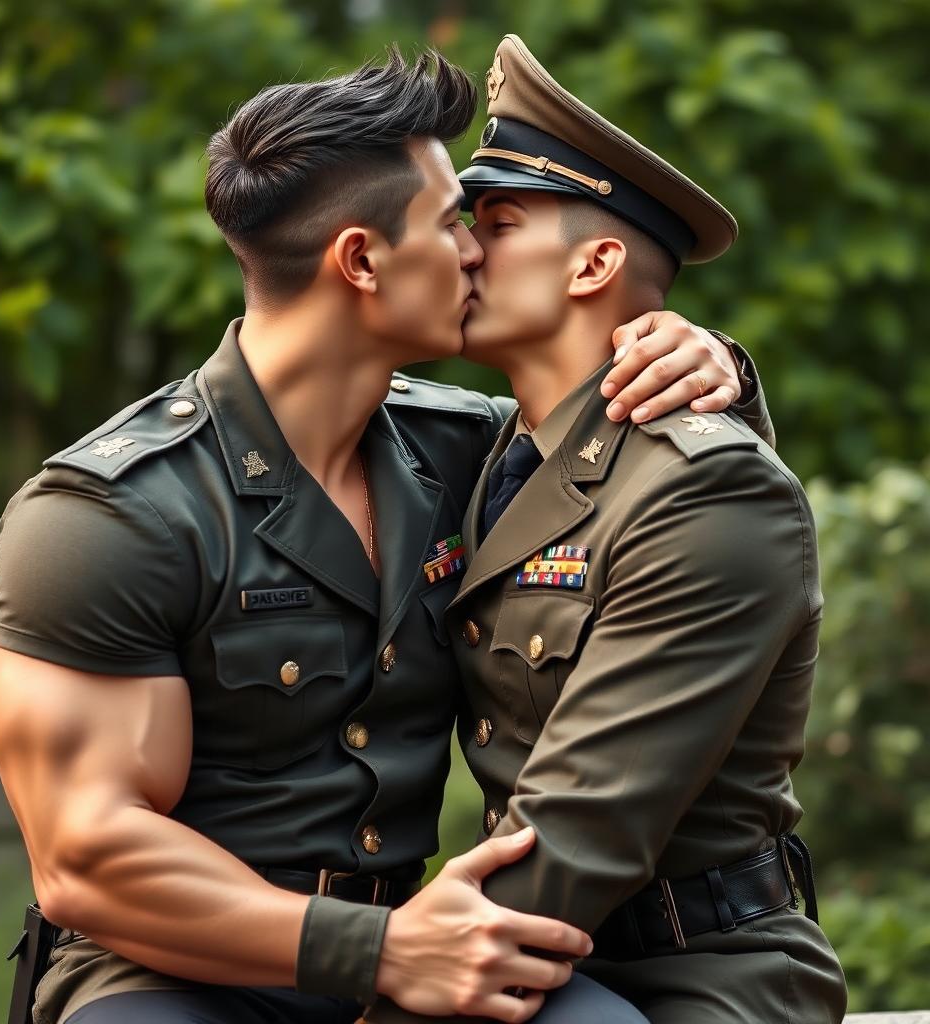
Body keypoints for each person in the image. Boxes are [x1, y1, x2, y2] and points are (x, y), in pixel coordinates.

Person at [0, 47, 764, 1024]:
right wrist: (380, 950)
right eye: (452, 224)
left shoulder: (470, 455)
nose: (478, 250)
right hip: (182, 976)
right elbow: (87, 855)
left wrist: (700, 354)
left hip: (431, 954)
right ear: (361, 259)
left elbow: (658, 498)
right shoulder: (111, 515)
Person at [366, 35, 848, 1024]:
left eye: (497, 222)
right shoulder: (487, 454)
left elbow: (578, 837)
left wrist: (385, 991)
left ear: (593, 263)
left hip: (696, 973)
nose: (462, 249)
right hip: (536, 968)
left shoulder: (706, 490)